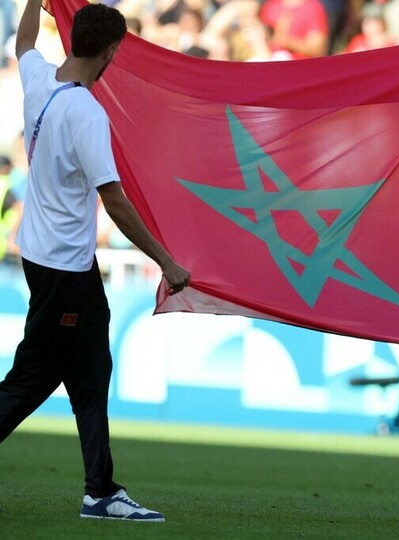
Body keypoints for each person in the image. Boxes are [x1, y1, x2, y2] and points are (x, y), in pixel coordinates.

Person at [1, 0, 190, 521]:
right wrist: (167, 262)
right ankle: (100, 491)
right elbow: (115, 203)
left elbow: (23, 43)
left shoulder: (39, 80)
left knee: (90, 370)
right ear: (109, 51)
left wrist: (35, 2)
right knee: (34, 378)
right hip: (64, 267)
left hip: (51, 260)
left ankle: (100, 490)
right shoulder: (86, 113)